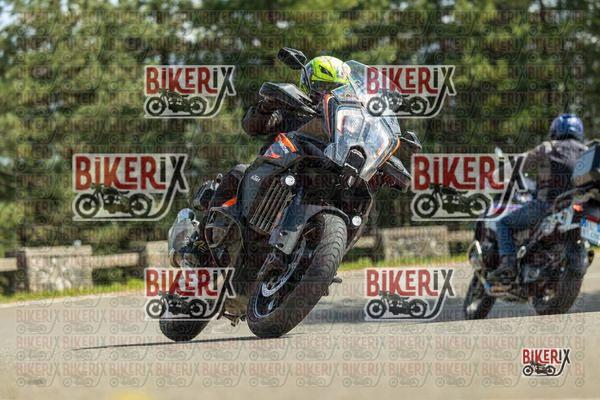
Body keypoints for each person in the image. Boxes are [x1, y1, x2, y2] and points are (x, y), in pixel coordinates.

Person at [175, 55, 351, 268]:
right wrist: (267, 106)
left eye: (335, 89)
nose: (328, 94)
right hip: (277, 172)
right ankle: (200, 244)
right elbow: (252, 126)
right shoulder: (294, 108)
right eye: (323, 87)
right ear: (308, 84)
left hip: (319, 179)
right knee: (238, 173)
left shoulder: (345, 123)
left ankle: (312, 260)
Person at [489, 114, 588, 283]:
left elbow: (520, 163)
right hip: (580, 209)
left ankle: (508, 264)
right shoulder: (588, 152)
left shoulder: (548, 147)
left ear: (555, 130)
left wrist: (496, 174)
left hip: (547, 206)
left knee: (503, 223)